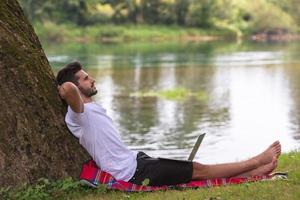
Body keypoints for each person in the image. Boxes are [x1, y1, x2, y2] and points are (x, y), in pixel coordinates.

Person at [56, 61, 281, 186]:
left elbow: (72, 88)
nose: (92, 78)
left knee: (191, 171)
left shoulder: (92, 109)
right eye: (86, 78)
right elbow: (68, 90)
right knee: (198, 170)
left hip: (136, 160)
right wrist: (61, 87)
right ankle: (256, 162)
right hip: (131, 172)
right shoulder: (78, 115)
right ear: (76, 86)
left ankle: (255, 171)